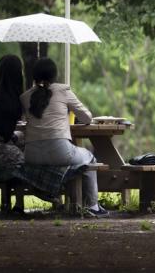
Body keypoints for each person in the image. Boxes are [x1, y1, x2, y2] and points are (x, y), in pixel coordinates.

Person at [20, 57, 107, 217]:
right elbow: (87, 117)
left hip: (31, 155)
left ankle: (55, 197)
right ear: (55, 74)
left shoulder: (25, 97)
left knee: (69, 160)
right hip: (59, 151)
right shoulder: (63, 91)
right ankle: (93, 206)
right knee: (89, 158)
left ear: (34, 76)